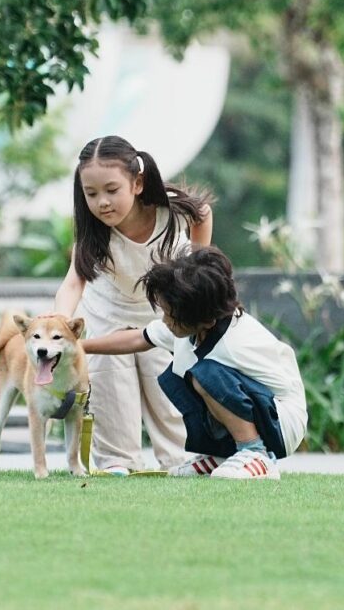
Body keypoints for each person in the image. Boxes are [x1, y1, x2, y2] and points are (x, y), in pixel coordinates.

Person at [53, 136, 213, 476]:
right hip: (107, 315)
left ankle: (182, 460)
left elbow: (203, 212)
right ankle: (118, 462)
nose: (102, 202)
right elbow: (73, 281)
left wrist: (197, 267)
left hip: (163, 316)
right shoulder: (93, 229)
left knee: (168, 392)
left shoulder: (171, 210)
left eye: (112, 190)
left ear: (137, 183)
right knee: (111, 388)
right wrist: (61, 323)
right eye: (91, 193)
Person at [81, 246, 308, 480]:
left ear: (206, 320)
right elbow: (139, 338)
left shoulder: (236, 342)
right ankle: (222, 455)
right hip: (257, 408)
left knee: (206, 375)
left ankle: (255, 453)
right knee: (178, 378)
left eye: (170, 315)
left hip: (282, 422)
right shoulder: (189, 325)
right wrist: (79, 347)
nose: (165, 321)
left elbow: (276, 390)